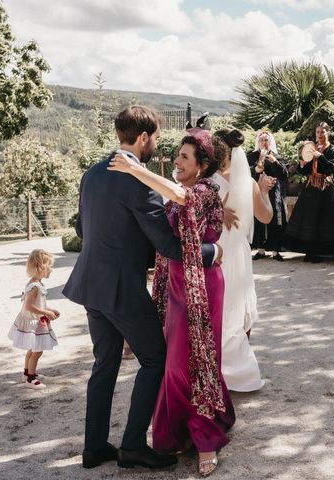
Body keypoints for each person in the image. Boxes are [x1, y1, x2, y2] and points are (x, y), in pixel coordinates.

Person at [63, 106, 216, 471]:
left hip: (90, 284)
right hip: (121, 290)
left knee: (105, 364)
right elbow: (167, 247)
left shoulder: (92, 173)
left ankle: (95, 447)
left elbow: (84, 229)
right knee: (155, 359)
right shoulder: (138, 180)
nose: (156, 145)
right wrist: (213, 251)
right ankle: (132, 446)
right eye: (156, 138)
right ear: (143, 138)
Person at [109, 128, 235, 477]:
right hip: (176, 283)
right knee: (175, 362)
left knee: (194, 358)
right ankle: (184, 427)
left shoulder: (207, 189)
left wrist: (134, 169)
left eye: (184, 157)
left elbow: (181, 195)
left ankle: (206, 437)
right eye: (177, 155)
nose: (177, 161)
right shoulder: (184, 190)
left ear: (202, 165)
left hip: (202, 285)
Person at [213, 128, 273, 392]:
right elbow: (266, 218)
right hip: (238, 253)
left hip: (215, 250)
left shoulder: (205, 182)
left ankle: (215, 369)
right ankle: (238, 372)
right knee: (236, 309)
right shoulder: (247, 182)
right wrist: (264, 191)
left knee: (215, 308)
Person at [284, 122, 334, 262]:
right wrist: (302, 164)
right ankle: (310, 252)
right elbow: (305, 170)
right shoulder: (312, 148)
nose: (319, 135)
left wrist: (320, 156)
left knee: (325, 220)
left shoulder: (333, 150)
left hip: (325, 189)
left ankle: (323, 253)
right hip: (311, 188)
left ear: (328, 133)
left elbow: (331, 168)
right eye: (317, 132)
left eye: (322, 132)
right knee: (310, 219)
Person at [8, 249, 59, 389]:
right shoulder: (35, 286)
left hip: (35, 321)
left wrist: (49, 310)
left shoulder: (37, 284)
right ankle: (30, 379)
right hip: (33, 322)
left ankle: (27, 373)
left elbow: (39, 303)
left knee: (33, 348)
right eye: (50, 266)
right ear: (41, 267)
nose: (52, 269)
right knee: (37, 350)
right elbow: (29, 306)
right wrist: (45, 313)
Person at [247, 131, 288, 260]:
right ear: (258, 142)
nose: (264, 142)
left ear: (270, 142)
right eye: (262, 140)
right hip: (258, 190)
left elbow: (284, 174)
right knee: (259, 218)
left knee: (275, 217)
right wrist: (256, 170)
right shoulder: (252, 156)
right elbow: (245, 173)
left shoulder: (276, 156)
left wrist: (275, 162)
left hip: (273, 191)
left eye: (266, 140)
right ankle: (260, 249)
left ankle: (276, 250)